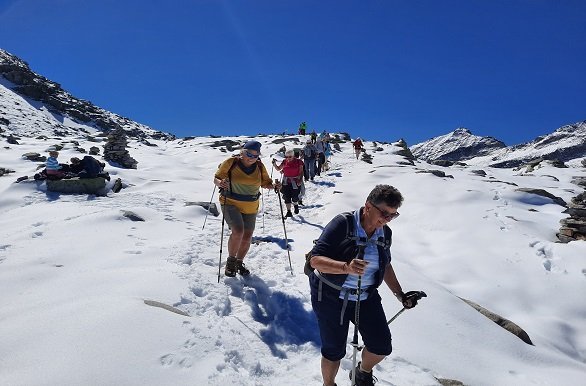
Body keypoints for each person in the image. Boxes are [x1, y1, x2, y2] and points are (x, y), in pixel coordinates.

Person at [308, 185, 422, 386]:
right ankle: (329, 384)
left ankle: (362, 372)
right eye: (384, 213)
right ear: (368, 206)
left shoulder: (385, 233)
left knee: (381, 346)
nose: (387, 219)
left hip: (366, 295)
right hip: (331, 295)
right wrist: (346, 267)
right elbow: (315, 261)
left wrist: (400, 295)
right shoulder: (343, 224)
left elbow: (385, 265)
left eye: (393, 215)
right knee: (333, 350)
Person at [214, 140, 281, 277]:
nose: (252, 158)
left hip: (251, 205)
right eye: (249, 154)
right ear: (242, 152)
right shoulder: (231, 162)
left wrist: (274, 186)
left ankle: (239, 263)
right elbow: (217, 178)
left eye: (255, 156)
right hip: (230, 202)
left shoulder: (259, 166)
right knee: (238, 231)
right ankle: (231, 262)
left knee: (247, 236)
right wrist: (220, 183)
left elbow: (265, 183)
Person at [272, 149, 304, 218]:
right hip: (286, 182)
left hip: (295, 182)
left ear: (293, 156)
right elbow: (278, 169)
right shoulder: (284, 161)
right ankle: (289, 211)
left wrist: (300, 180)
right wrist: (274, 164)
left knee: (295, 197)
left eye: (290, 156)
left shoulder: (299, 162)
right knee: (287, 197)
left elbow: (301, 172)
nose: (288, 158)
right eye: (286, 156)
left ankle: (295, 205)